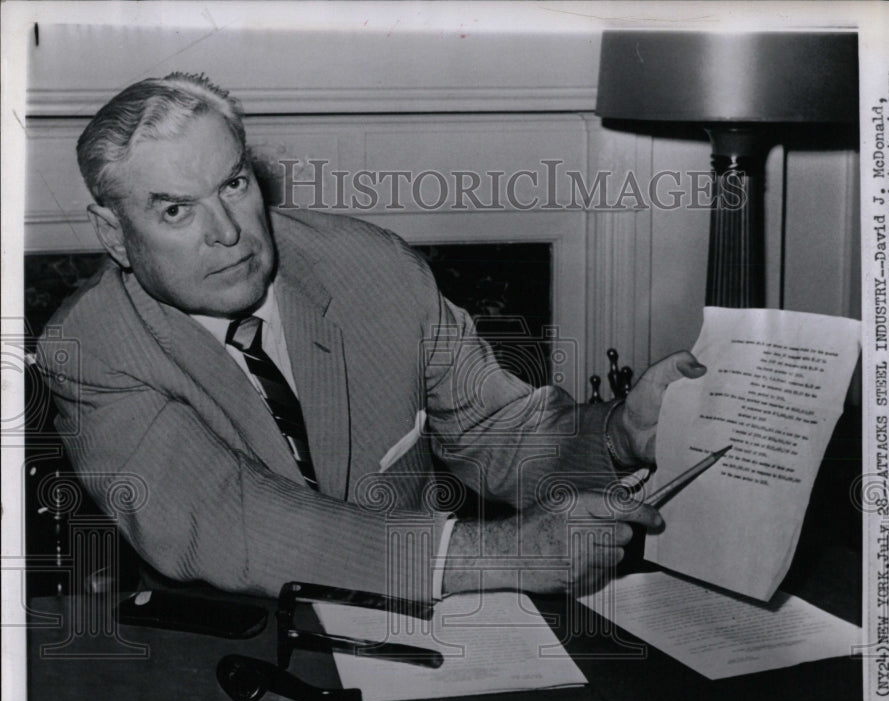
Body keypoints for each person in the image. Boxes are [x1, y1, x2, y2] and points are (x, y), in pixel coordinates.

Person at [37, 73, 706, 604]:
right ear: (114, 234)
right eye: (176, 209)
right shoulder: (92, 345)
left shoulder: (369, 268)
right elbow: (227, 519)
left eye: (233, 184)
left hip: (423, 629)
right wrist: (501, 554)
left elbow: (497, 428)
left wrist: (618, 434)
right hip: (234, 648)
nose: (229, 232)